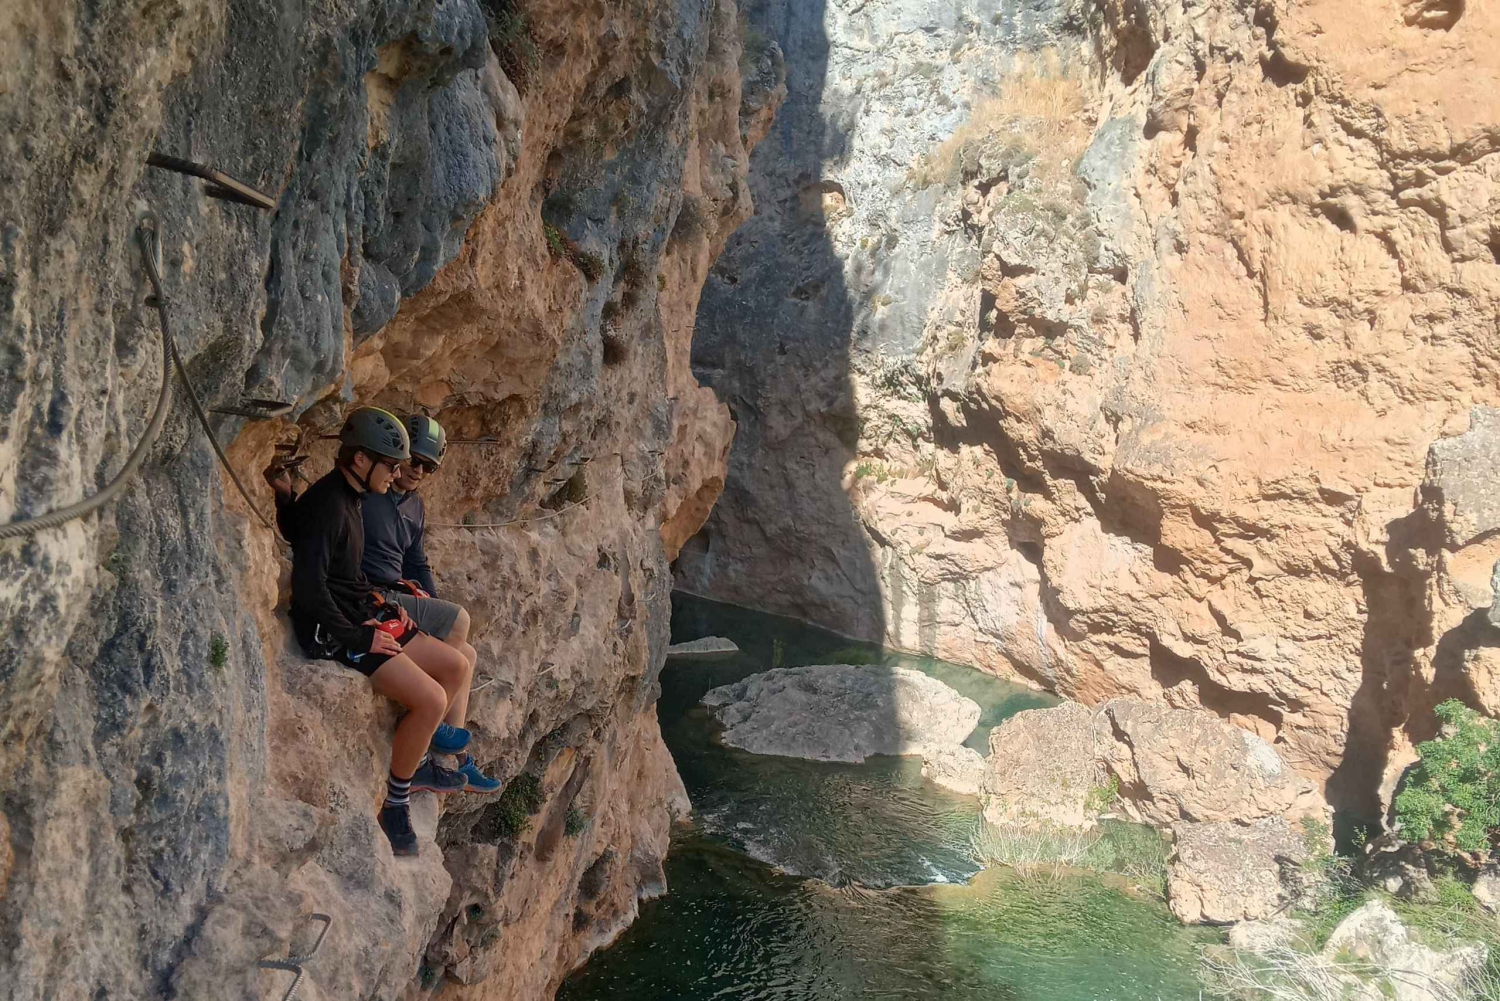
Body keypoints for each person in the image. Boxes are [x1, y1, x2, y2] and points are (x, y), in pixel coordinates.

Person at [266, 407, 473, 857]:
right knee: (433, 698)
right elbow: (309, 589)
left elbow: (303, 533)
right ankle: (394, 803)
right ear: (361, 460)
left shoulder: (348, 496)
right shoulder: (333, 501)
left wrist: (284, 497)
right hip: (332, 628)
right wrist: (360, 636)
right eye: (392, 465)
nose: (400, 473)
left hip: (358, 609)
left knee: (456, 664)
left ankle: (417, 756)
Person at [359, 413, 498, 794]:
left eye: (429, 466)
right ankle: (434, 731)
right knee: (459, 621)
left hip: (397, 592)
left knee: (465, 653)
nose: (419, 470)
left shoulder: (413, 506)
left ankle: (457, 762)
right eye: (414, 460)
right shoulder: (371, 493)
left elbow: (416, 562)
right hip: (375, 593)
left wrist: (431, 605)